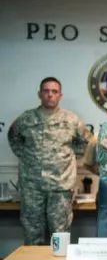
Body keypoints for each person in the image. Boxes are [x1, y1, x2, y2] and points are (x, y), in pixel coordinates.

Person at [8, 77, 92, 245]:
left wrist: (66, 158)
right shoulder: (26, 119)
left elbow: (85, 141)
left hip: (60, 186)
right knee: (32, 232)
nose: (50, 95)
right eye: (46, 91)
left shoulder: (71, 119)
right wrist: (28, 157)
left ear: (60, 95)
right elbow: (13, 138)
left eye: (54, 91)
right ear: (39, 94)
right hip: (32, 185)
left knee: (60, 233)